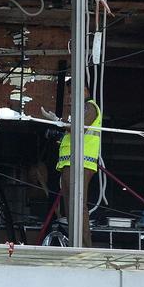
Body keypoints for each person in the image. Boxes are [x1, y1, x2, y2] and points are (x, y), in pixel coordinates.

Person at [47, 80, 101, 248]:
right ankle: (76, 243)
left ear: (84, 90)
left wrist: (59, 121)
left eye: (72, 93)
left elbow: (79, 128)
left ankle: (83, 246)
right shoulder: (81, 109)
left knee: (77, 205)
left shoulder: (90, 107)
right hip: (72, 163)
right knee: (70, 206)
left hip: (81, 163)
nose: (70, 97)